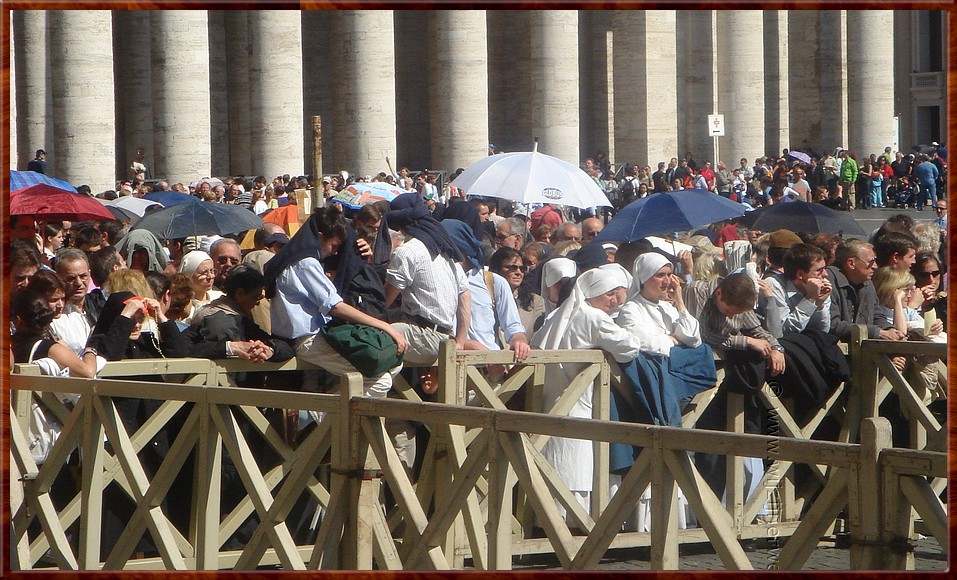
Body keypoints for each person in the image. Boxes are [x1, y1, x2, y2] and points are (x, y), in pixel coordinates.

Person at [531, 266, 640, 524]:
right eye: (608, 295)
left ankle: (552, 521)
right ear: (592, 295)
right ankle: (576, 524)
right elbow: (630, 348)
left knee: (561, 460)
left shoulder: (559, 315)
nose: (614, 301)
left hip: (553, 398)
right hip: (578, 400)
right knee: (576, 465)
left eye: (616, 294)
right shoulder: (593, 317)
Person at [266, 204, 408, 398]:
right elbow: (335, 306)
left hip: (318, 336)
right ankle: (320, 415)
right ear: (321, 236)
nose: (335, 252)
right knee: (381, 380)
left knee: (392, 361)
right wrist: (386, 326)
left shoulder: (300, 257)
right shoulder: (305, 263)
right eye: (334, 246)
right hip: (307, 340)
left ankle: (332, 415)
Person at [382, 193, 471, 378]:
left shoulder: (406, 251)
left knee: (366, 338)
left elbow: (384, 301)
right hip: (447, 337)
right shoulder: (446, 249)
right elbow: (465, 296)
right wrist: (460, 341)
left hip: (423, 335)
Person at [826, 239, 905, 342]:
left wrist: (889, 330)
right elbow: (832, 325)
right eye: (870, 262)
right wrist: (877, 333)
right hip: (835, 351)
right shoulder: (828, 281)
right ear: (851, 263)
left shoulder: (867, 282)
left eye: (875, 261)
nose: (875, 266)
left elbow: (877, 316)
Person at [489, 247, 545, 338]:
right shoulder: (483, 296)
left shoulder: (535, 301)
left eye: (522, 268)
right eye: (512, 267)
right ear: (497, 269)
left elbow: (537, 337)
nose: (518, 272)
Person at [178, 250, 222, 320]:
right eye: (204, 272)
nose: (210, 276)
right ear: (189, 275)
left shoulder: (220, 297)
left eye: (212, 271)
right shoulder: (182, 306)